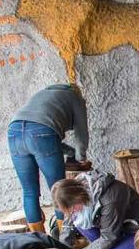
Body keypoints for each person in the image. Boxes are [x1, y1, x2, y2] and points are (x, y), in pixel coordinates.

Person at [8, 84, 90, 233]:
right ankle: (65, 237)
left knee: (29, 191)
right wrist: (80, 157)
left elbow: (47, 138)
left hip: (14, 132)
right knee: (59, 189)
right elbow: (81, 132)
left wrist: (70, 152)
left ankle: (39, 239)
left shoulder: (43, 94)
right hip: (42, 132)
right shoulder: (75, 97)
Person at [52, 172, 139, 249]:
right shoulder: (76, 191)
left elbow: (108, 237)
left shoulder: (110, 199)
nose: (71, 213)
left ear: (78, 197)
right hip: (116, 229)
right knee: (78, 221)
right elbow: (69, 222)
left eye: (72, 209)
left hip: (138, 233)